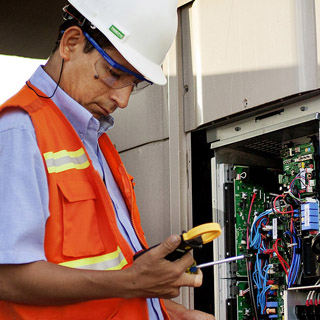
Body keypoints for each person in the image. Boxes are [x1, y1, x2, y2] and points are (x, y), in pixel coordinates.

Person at [0, 1, 215, 319]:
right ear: (71, 43)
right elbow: (7, 280)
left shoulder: (94, 140)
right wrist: (132, 281)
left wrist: (172, 313)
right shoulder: (19, 130)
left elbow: (104, 284)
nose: (123, 99)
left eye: (135, 82)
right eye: (115, 74)